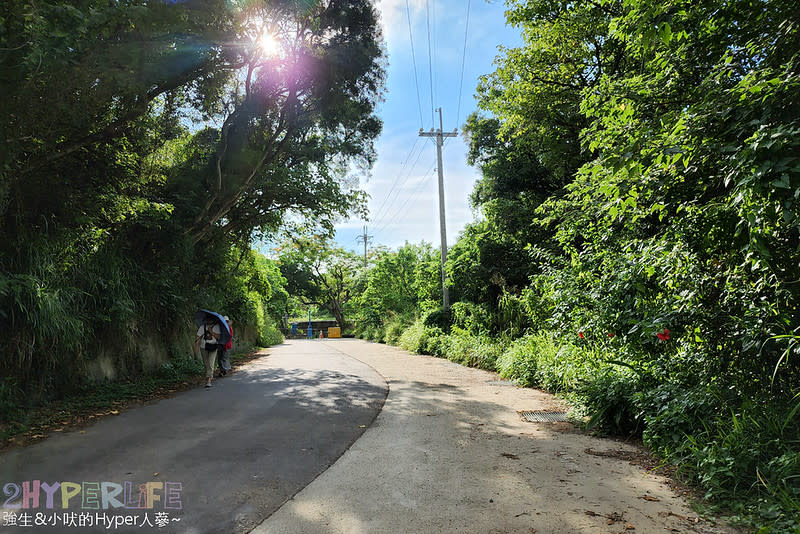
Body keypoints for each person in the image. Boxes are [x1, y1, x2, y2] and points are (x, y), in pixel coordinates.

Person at [194, 316, 221, 388]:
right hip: (204, 347)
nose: (209, 320)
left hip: (213, 346)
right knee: (206, 363)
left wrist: (211, 331)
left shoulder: (217, 327)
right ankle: (208, 376)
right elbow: (198, 337)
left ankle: (209, 380)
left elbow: (218, 337)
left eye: (211, 319)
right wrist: (195, 348)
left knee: (210, 362)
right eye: (208, 319)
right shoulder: (202, 327)